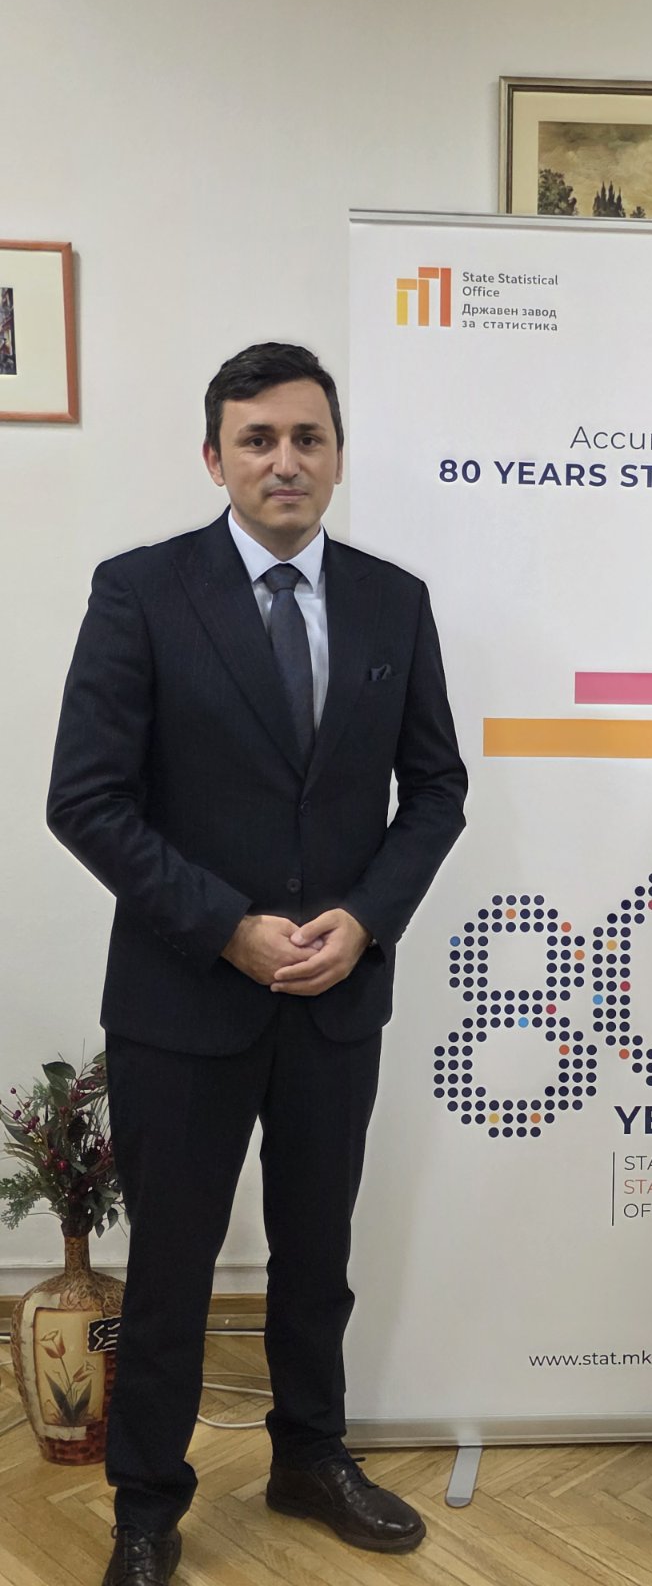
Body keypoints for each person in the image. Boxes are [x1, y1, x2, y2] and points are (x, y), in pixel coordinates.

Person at [48, 341, 467, 1586]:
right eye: (258, 438)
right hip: (184, 996)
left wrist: (368, 918)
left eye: (307, 437)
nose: (285, 459)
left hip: (336, 997)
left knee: (317, 1255)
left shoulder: (394, 600)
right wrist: (228, 924)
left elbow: (435, 789)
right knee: (173, 1269)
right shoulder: (141, 592)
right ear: (214, 457)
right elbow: (86, 799)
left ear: (338, 455)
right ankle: (147, 1504)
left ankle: (310, 1456)